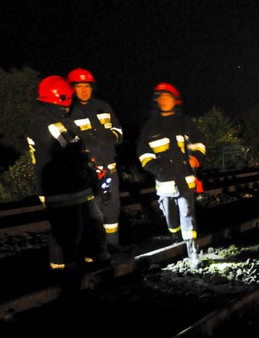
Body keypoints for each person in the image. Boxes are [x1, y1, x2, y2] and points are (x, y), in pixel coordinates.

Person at [26, 75, 109, 271]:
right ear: (61, 97)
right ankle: (67, 274)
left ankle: (87, 264)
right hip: (64, 189)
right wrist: (88, 161)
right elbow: (73, 151)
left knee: (84, 227)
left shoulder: (49, 122)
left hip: (71, 188)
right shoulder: (49, 124)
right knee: (69, 233)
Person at [136, 83, 206, 267]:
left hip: (185, 179)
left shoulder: (186, 122)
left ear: (175, 100)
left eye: (168, 97)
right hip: (164, 181)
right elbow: (143, 152)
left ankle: (192, 251)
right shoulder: (150, 126)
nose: (165, 101)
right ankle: (174, 235)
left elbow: (199, 142)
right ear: (157, 101)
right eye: (161, 98)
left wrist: (196, 158)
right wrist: (156, 168)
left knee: (187, 214)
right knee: (171, 217)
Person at [67, 68, 124, 251]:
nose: (84, 90)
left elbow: (119, 132)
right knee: (92, 210)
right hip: (87, 172)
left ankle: (112, 244)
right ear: (73, 89)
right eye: (79, 86)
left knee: (111, 208)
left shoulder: (104, 107)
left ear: (92, 88)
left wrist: (110, 137)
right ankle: (96, 247)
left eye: (87, 86)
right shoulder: (70, 113)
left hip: (109, 168)